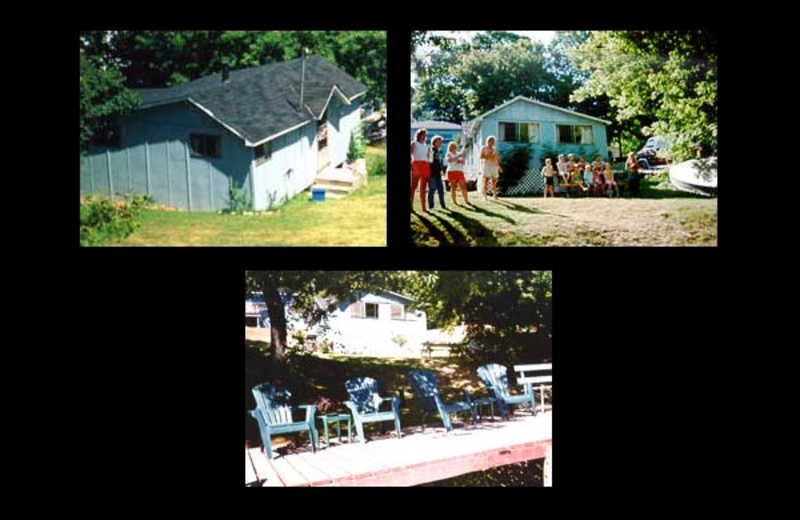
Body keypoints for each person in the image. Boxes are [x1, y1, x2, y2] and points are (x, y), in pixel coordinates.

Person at [410, 129, 430, 212]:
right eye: (423, 134)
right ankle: (410, 206)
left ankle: (424, 207)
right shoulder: (414, 143)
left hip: (425, 165)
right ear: (419, 135)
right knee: (413, 187)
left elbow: (428, 157)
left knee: (423, 188)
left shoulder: (426, 146)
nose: (424, 136)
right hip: (416, 164)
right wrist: (412, 166)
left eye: (425, 135)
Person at [480, 136, 502, 200]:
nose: (492, 142)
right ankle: (485, 196)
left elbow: (496, 158)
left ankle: (495, 195)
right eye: (490, 141)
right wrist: (489, 155)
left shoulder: (495, 149)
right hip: (487, 165)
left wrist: (499, 167)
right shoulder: (484, 148)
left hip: (494, 166)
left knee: (494, 181)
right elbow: (481, 156)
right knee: (486, 180)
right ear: (488, 141)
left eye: (493, 141)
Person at [427, 135, 446, 210]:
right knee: (432, 190)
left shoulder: (440, 152)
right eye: (439, 142)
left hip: (438, 174)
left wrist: (443, 171)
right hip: (432, 174)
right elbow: (429, 163)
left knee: (441, 190)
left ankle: (443, 205)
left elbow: (441, 163)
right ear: (434, 143)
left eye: (441, 142)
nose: (440, 143)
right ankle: (431, 206)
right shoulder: (431, 151)